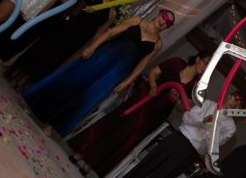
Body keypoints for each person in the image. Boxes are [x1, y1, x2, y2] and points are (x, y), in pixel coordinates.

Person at [21, 9, 175, 137]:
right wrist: (93, 46)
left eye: (168, 22)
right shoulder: (137, 21)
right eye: (164, 16)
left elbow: (142, 64)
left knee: (87, 96)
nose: (163, 21)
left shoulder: (157, 44)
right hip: (102, 56)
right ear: (159, 13)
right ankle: (37, 106)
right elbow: (110, 32)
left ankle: (52, 123)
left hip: (117, 71)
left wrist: (128, 81)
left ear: (167, 27)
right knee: (71, 81)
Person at [104, 90, 246, 178]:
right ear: (228, 96)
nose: (234, 103)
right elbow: (187, 117)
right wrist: (202, 120)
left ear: (240, 109)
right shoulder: (209, 104)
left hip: (191, 152)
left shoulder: (231, 128)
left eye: (239, 103)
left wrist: (213, 127)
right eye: (234, 98)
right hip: (178, 138)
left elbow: (214, 146)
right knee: (146, 165)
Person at [67, 52, 211, 178]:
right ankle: (81, 151)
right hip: (144, 98)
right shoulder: (177, 62)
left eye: (208, 67)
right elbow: (153, 72)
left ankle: (90, 165)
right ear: (198, 59)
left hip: (157, 113)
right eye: (205, 63)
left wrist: (179, 100)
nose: (204, 68)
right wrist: (154, 85)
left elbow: (182, 108)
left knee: (126, 137)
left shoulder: (196, 87)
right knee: (114, 123)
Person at [3, 0, 120, 83]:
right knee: (32, 35)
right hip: (55, 5)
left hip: (66, 17)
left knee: (47, 47)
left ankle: (22, 78)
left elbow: (85, 5)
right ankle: (10, 66)